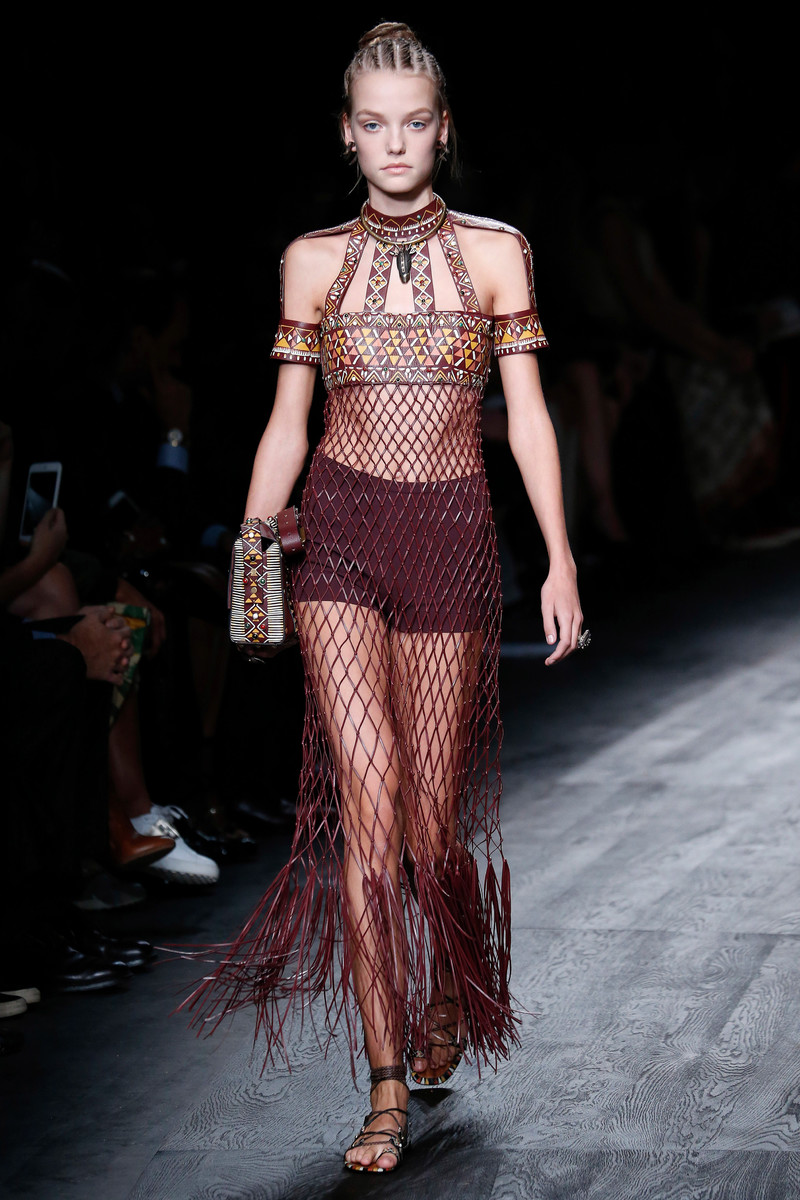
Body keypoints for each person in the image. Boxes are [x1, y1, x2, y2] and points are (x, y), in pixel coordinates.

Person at [183, 23, 585, 1174]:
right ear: (346, 133)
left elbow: (529, 418)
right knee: (366, 816)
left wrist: (559, 558)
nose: (394, 143)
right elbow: (286, 423)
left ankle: (448, 976)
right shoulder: (311, 262)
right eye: (373, 123)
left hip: (450, 535)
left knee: (426, 827)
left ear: (442, 131)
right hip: (343, 537)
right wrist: (254, 541)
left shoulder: (496, 253)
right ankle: (384, 1084)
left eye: (414, 123)